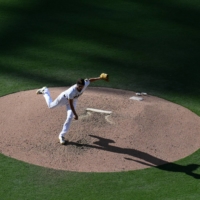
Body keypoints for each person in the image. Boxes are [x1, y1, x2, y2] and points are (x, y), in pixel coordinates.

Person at [36, 76, 103, 144]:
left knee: (70, 117)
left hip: (74, 100)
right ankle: (45, 91)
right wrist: (75, 114)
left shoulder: (84, 84)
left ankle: (61, 136)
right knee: (50, 106)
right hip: (63, 99)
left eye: (82, 86)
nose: (81, 88)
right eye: (79, 86)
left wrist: (99, 78)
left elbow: (90, 80)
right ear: (77, 85)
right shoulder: (72, 91)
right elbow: (70, 105)